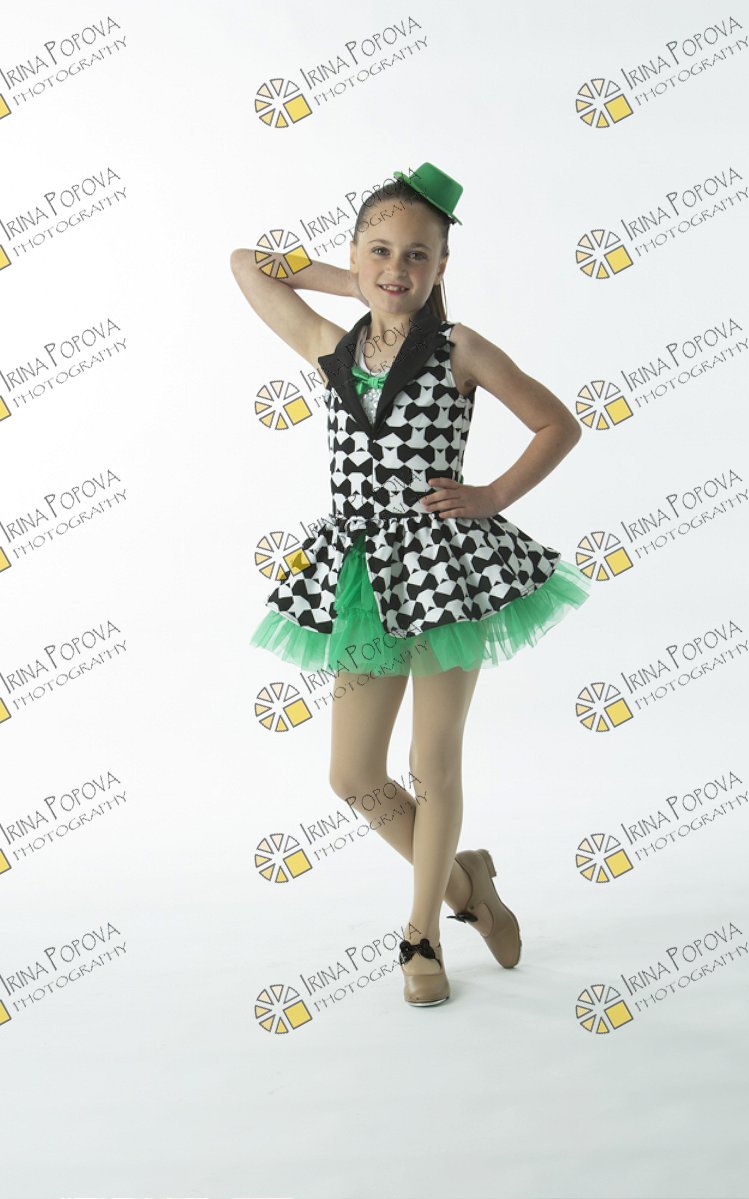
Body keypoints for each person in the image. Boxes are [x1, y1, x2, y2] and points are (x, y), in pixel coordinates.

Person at [230, 162, 593, 1008]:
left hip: (443, 573)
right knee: (353, 773)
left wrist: (492, 496)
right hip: (361, 576)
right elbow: (247, 263)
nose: (398, 268)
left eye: (418, 255)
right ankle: (473, 888)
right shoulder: (332, 347)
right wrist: (356, 283)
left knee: (432, 761)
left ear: (442, 266)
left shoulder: (458, 348)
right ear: (356, 254)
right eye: (381, 251)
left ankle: (423, 932)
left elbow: (557, 423)